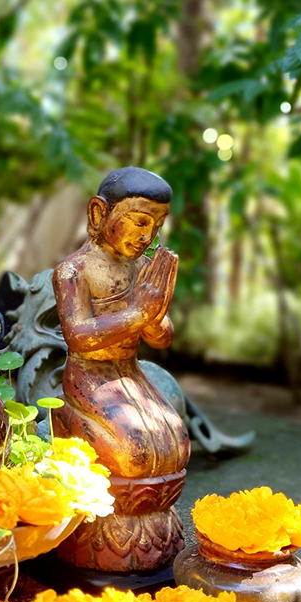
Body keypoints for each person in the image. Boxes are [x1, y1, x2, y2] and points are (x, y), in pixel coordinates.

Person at [53, 166, 190, 482]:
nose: (148, 236)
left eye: (156, 226)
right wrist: (138, 315)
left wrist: (154, 316)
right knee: (135, 452)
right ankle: (67, 418)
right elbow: (76, 336)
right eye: (140, 221)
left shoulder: (141, 268)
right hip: (89, 376)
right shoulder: (74, 271)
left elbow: (163, 337)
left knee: (176, 443)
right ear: (99, 212)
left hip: (130, 373)